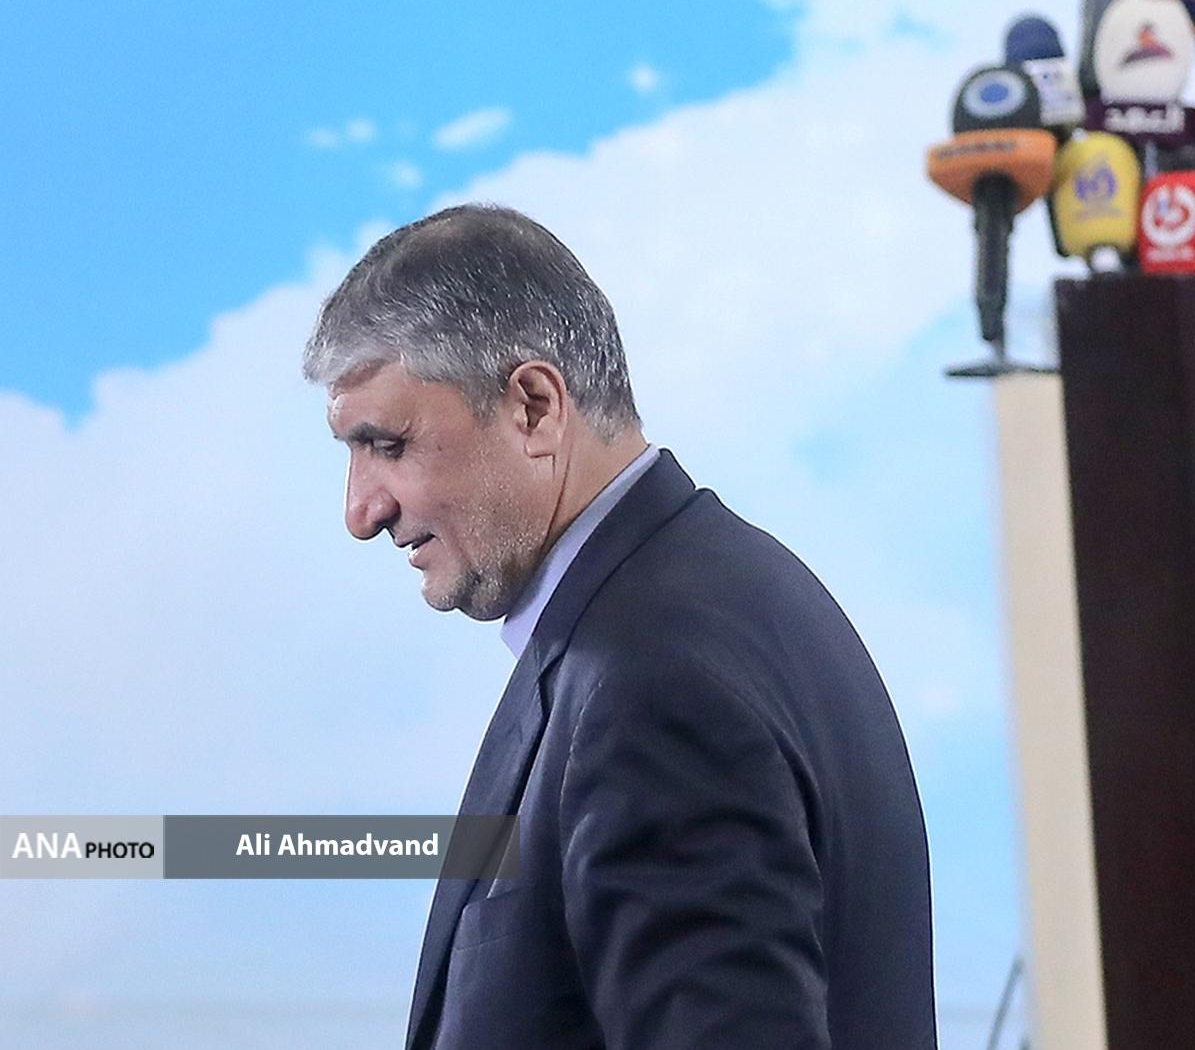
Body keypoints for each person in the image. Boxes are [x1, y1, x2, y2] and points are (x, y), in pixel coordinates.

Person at [301, 203, 936, 1049]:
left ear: (534, 407)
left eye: (386, 444)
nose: (360, 510)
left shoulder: (651, 684)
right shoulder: (711, 605)